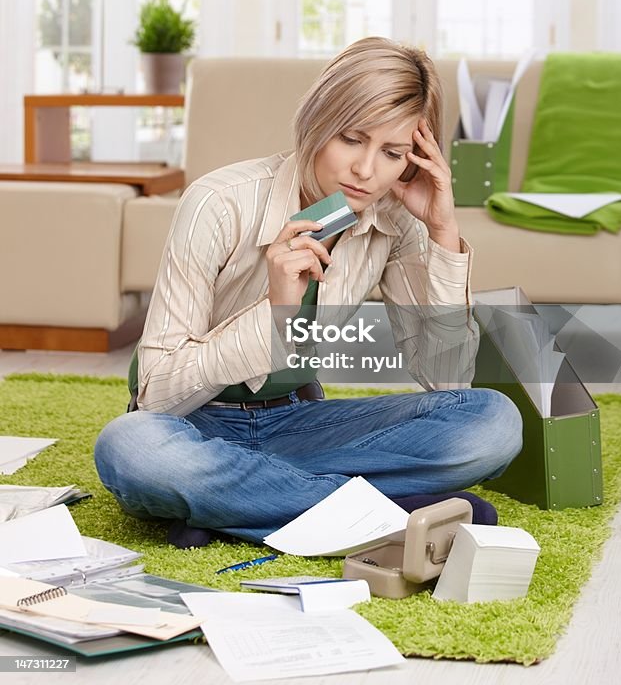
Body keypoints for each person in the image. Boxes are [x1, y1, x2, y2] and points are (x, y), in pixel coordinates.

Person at [94, 37, 522, 546]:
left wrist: (443, 235)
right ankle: (381, 518)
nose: (366, 170)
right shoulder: (219, 203)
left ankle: (240, 504)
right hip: (190, 426)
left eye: (392, 153)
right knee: (129, 448)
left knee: (492, 423)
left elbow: (447, 378)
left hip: (299, 427)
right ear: (319, 121)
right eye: (350, 139)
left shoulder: (394, 221)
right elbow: (158, 392)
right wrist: (275, 309)